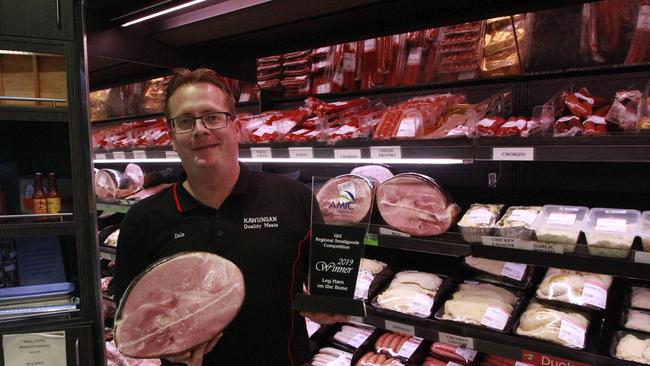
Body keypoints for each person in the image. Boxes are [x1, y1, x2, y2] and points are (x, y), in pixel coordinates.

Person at [112, 68, 346, 366]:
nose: (199, 130)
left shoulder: (294, 198)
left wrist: (330, 304)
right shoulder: (143, 219)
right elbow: (128, 315)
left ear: (235, 127)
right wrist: (164, 346)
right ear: (171, 137)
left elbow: (324, 282)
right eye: (185, 121)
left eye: (212, 117)